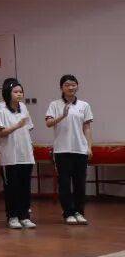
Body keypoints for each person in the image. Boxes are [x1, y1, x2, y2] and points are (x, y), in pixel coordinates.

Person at [45, 75, 94, 224]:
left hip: (80, 150)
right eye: (67, 85)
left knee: (80, 183)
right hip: (62, 150)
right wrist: (62, 115)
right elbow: (48, 123)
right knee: (65, 183)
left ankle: (79, 212)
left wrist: (89, 147)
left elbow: (87, 127)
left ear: (77, 86)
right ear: (61, 88)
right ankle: (68, 213)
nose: (71, 87)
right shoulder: (54, 104)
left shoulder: (84, 105)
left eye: (73, 84)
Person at [0, 79, 36, 229]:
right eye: (16, 92)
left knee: (25, 187)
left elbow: (28, 127)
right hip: (10, 156)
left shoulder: (23, 107)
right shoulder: (1, 108)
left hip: (25, 154)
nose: (19, 94)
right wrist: (16, 126)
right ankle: (12, 216)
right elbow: (1, 132)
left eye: (21, 92)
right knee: (12, 188)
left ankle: (24, 216)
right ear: (8, 93)